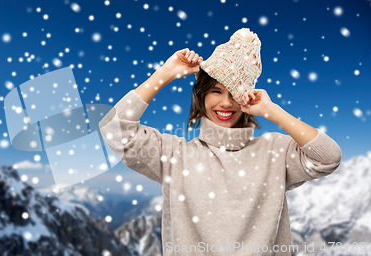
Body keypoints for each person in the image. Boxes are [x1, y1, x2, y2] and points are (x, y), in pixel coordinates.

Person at [99, 28, 342, 256]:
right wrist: (166, 73)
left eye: (235, 93)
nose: (226, 103)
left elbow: (328, 158)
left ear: (247, 97)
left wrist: (271, 110)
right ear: (201, 95)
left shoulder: (274, 152)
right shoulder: (174, 155)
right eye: (216, 91)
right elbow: (113, 130)